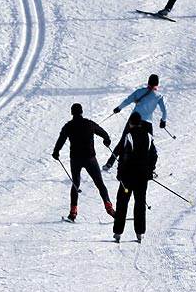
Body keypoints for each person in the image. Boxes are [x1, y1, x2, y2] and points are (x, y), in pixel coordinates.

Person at [53, 103, 115, 222]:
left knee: (76, 184)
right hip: (90, 158)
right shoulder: (89, 123)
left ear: (72, 113)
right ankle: (109, 208)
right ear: (81, 112)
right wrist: (106, 140)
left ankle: (73, 213)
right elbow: (103, 133)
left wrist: (56, 152)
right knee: (100, 183)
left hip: (75, 159)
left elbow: (61, 140)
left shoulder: (68, 126)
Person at [104, 113, 158, 243]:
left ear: (130, 123)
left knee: (122, 203)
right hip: (142, 177)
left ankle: (118, 233)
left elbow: (124, 157)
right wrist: (150, 171)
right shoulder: (148, 136)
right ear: (140, 122)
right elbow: (154, 155)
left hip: (128, 178)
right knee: (140, 203)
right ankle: (140, 233)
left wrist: (119, 173)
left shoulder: (129, 136)